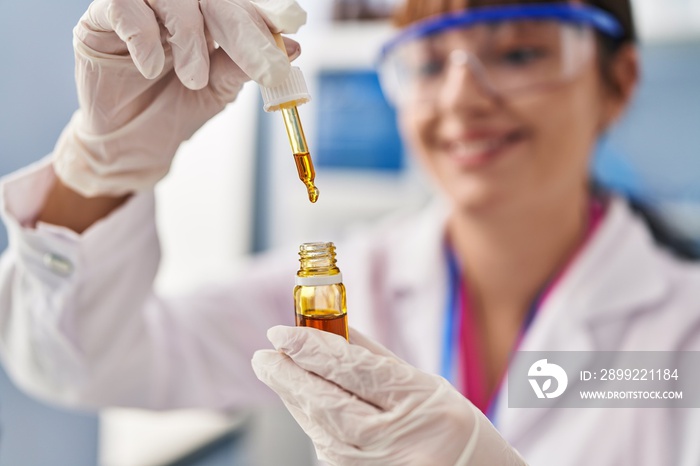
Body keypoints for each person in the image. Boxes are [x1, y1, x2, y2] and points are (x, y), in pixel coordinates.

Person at [0, 0, 698, 464]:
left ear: (618, 80)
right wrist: (101, 166)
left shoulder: (682, 334)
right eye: (427, 63)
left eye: (518, 55)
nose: (460, 98)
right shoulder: (340, 285)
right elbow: (85, 362)